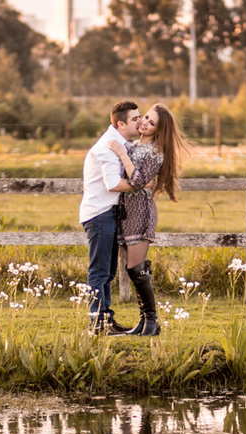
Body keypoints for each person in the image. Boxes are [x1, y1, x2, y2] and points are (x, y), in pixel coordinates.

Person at [106, 103, 189, 337]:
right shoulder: (132, 145)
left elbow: (139, 180)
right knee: (134, 267)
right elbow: (128, 176)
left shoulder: (155, 152)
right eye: (145, 117)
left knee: (134, 267)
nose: (144, 122)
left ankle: (151, 321)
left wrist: (124, 158)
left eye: (151, 123)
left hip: (140, 212)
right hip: (126, 211)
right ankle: (145, 323)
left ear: (158, 130)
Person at [79, 101, 142, 334]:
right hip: (99, 214)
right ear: (121, 124)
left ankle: (106, 320)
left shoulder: (120, 144)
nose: (140, 121)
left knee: (108, 271)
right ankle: (97, 325)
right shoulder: (108, 147)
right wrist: (140, 184)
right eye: (135, 119)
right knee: (99, 271)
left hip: (107, 213)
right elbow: (113, 183)